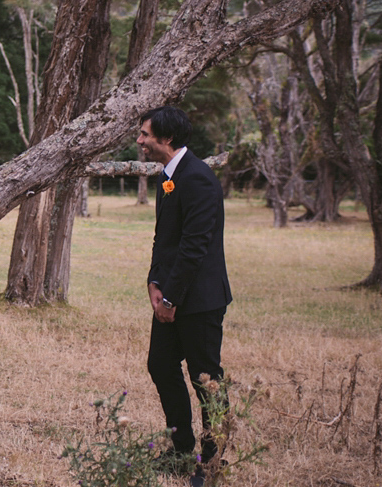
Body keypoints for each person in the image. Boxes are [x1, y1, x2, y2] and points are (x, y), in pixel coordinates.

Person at [136, 107, 232, 487]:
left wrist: (171, 299)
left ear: (167, 138)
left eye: (145, 134)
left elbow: (195, 246)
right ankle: (180, 449)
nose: (140, 141)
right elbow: (166, 239)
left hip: (201, 300)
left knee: (206, 380)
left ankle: (210, 465)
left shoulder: (199, 179)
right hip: (170, 295)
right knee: (160, 365)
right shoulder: (168, 177)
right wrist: (154, 283)